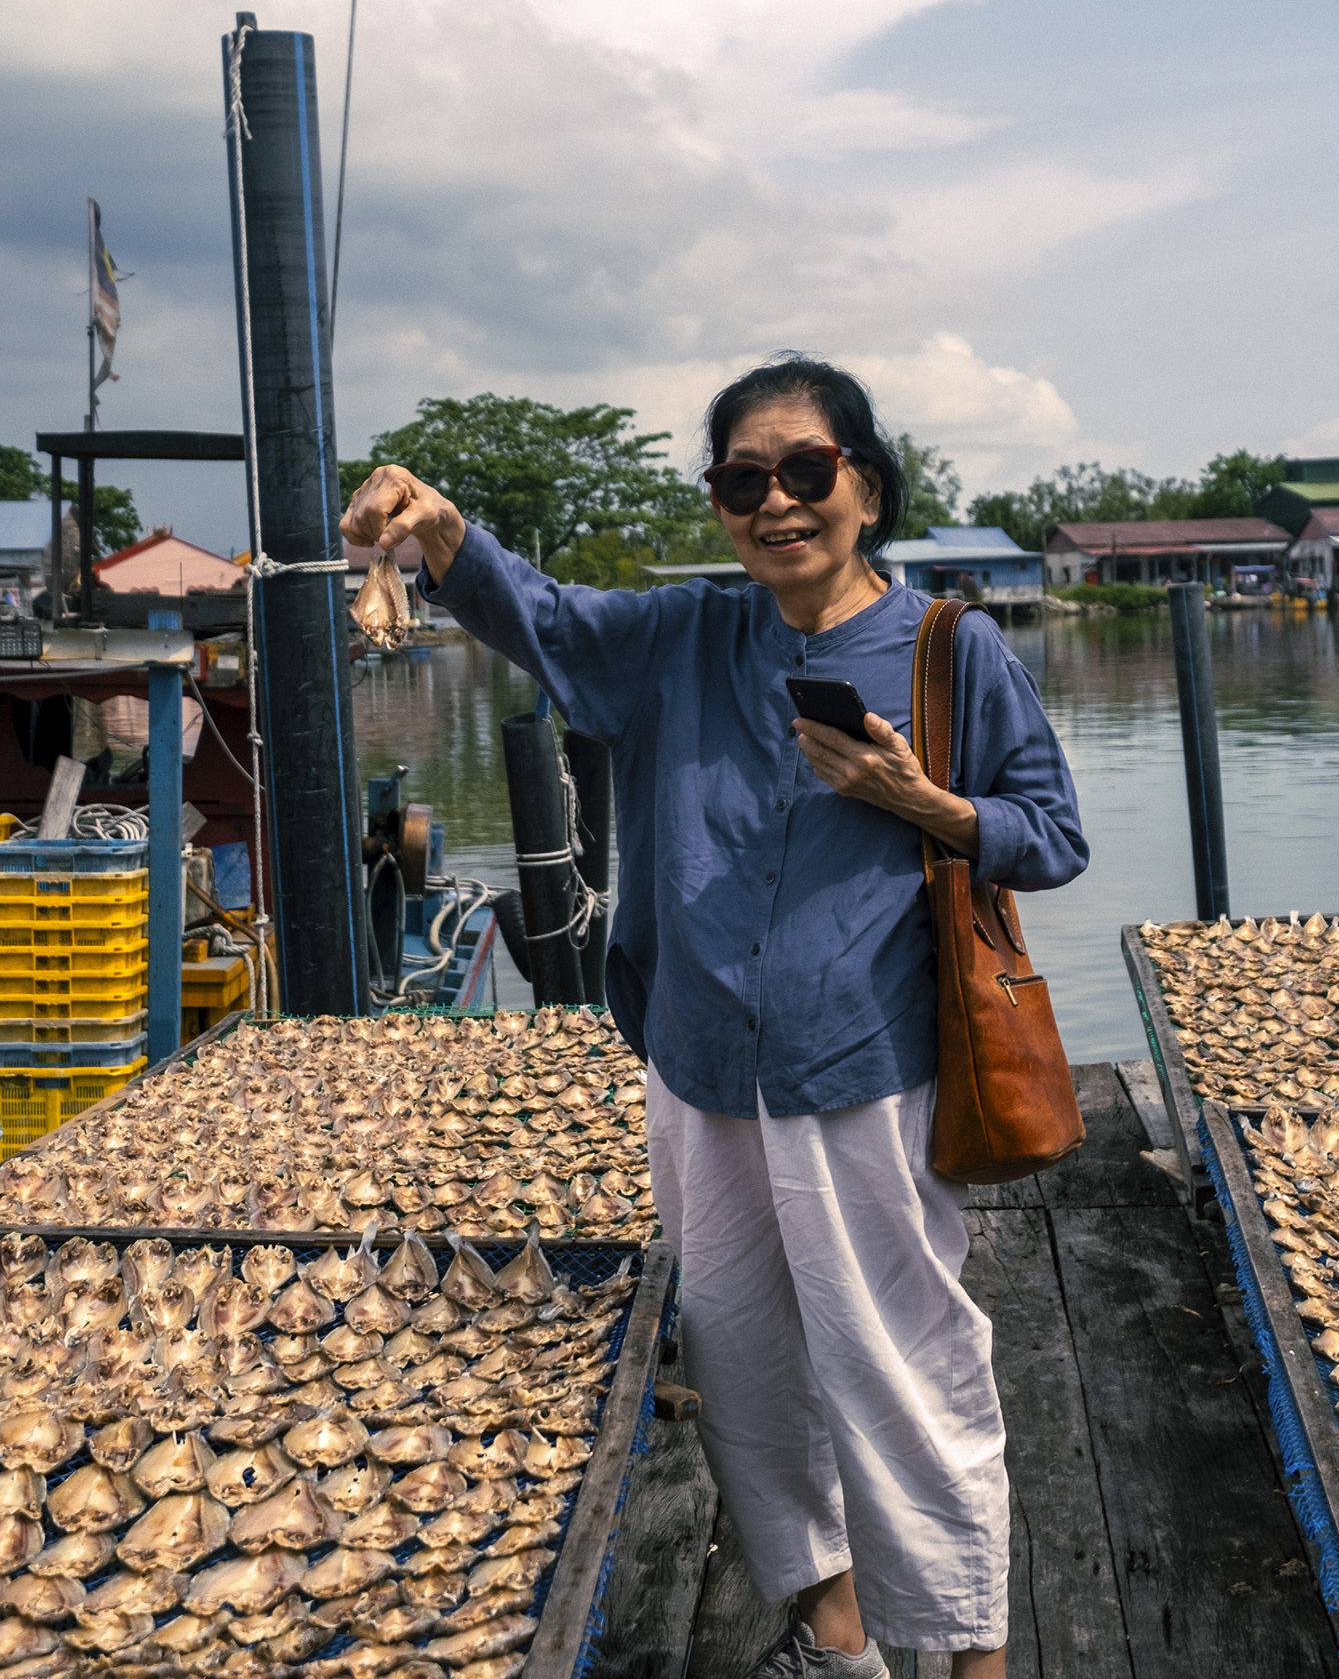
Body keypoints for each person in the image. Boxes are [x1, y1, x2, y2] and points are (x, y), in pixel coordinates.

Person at [340, 356, 1086, 1679]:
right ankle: (837, 1635)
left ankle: (968, 1658)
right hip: (696, 1074)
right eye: (745, 479)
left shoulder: (948, 648)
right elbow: (544, 618)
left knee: (905, 1376)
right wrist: (436, 529)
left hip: (861, 1071)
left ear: (864, 481)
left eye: (808, 470)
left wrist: (924, 802)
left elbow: (1050, 835)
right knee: (742, 1360)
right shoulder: (686, 634)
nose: (778, 503)